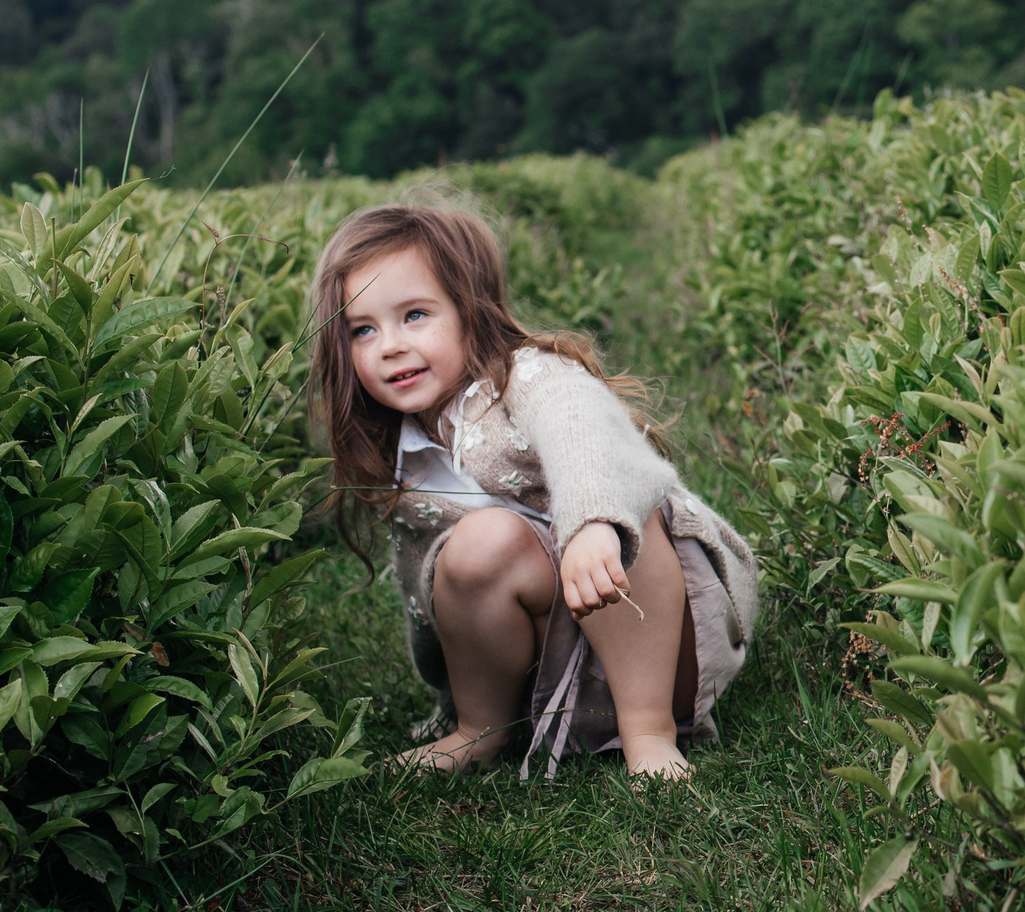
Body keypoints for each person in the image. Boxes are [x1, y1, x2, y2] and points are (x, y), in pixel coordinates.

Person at [307, 201, 756, 778]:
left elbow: (583, 434)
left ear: (472, 311)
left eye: (415, 315)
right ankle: (480, 729)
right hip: (550, 675)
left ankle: (649, 734)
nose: (389, 344)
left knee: (626, 506)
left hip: (661, 646)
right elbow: (448, 598)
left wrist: (592, 523)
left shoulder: (528, 376)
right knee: (478, 545)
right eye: (362, 330)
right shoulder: (405, 454)